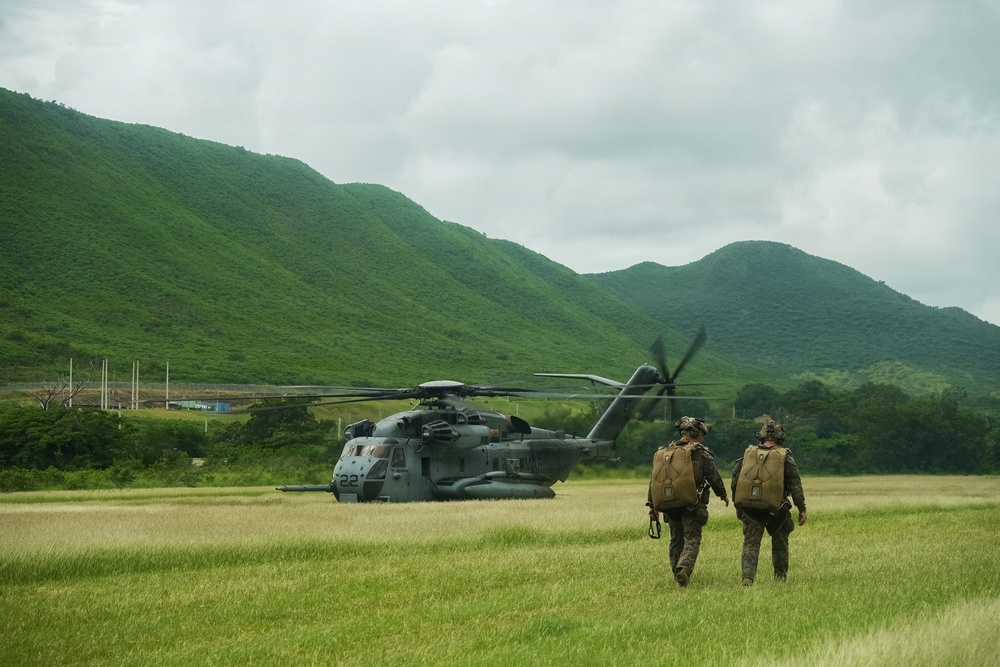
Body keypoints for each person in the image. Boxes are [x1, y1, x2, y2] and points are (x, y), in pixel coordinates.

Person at [647, 416, 729, 587]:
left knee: (676, 540)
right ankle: (684, 568)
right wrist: (723, 495)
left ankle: (678, 577)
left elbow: (655, 480)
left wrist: (652, 504)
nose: (702, 438)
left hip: (669, 504)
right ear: (696, 433)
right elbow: (713, 476)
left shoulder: (665, 453)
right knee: (692, 538)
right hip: (692, 504)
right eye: (701, 434)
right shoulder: (700, 452)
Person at [731, 421, 807, 586]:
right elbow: (796, 485)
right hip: (777, 508)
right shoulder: (785, 456)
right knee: (780, 543)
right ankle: (780, 579)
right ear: (781, 438)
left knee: (751, 543)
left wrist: (737, 505)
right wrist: (802, 509)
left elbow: (736, 480)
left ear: (762, 436)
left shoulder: (749, 454)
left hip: (750, 508)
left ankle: (747, 578)